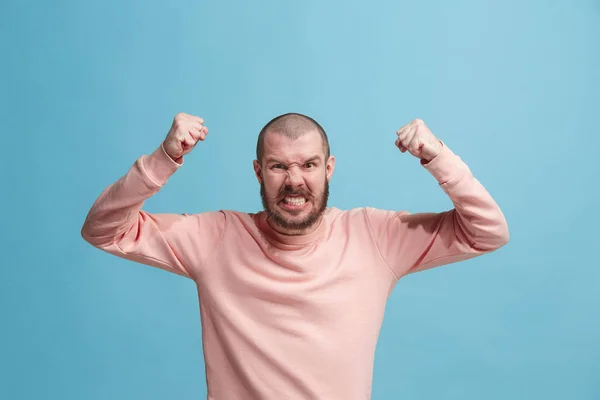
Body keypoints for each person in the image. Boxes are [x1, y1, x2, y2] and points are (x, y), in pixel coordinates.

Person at [81, 112, 509, 400]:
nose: (294, 181)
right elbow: (103, 229)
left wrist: (438, 157)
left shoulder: (374, 235)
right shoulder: (216, 236)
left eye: (308, 165)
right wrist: (163, 159)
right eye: (278, 166)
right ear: (258, 172)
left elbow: (487, 232)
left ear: (329, 169)